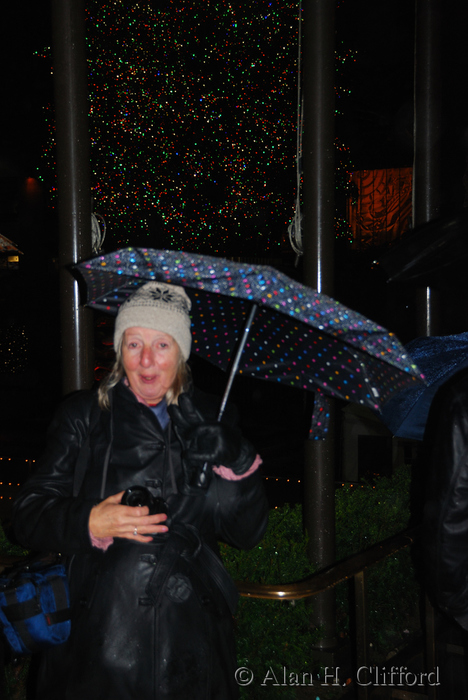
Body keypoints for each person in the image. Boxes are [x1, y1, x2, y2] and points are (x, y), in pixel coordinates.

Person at [12, 281, 269, 700]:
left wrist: (238, 459)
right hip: (96, 647)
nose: (146, 360)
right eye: (134, 344)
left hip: (193, 646)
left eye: (162, 345)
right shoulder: (84, 416)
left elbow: (247, 533)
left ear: (181, 351)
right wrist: (91, 519)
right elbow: (26, 515)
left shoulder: (213, 418)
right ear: (119, 349)